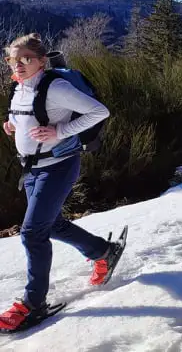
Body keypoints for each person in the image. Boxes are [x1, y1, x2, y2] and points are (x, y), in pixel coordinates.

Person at [0, 34, 121, 332]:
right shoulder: (19, 87)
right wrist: (13, 126)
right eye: (12, 60)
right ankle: (103, 251)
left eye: (26, 59)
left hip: (58, 167)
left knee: (31, 233)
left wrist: (62, 131)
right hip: (32, 169)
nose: (18, 65)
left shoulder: (56, 87)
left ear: (42, 61)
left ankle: (33, 304)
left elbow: (98, 111)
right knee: (50, 224)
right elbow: (29, 117)